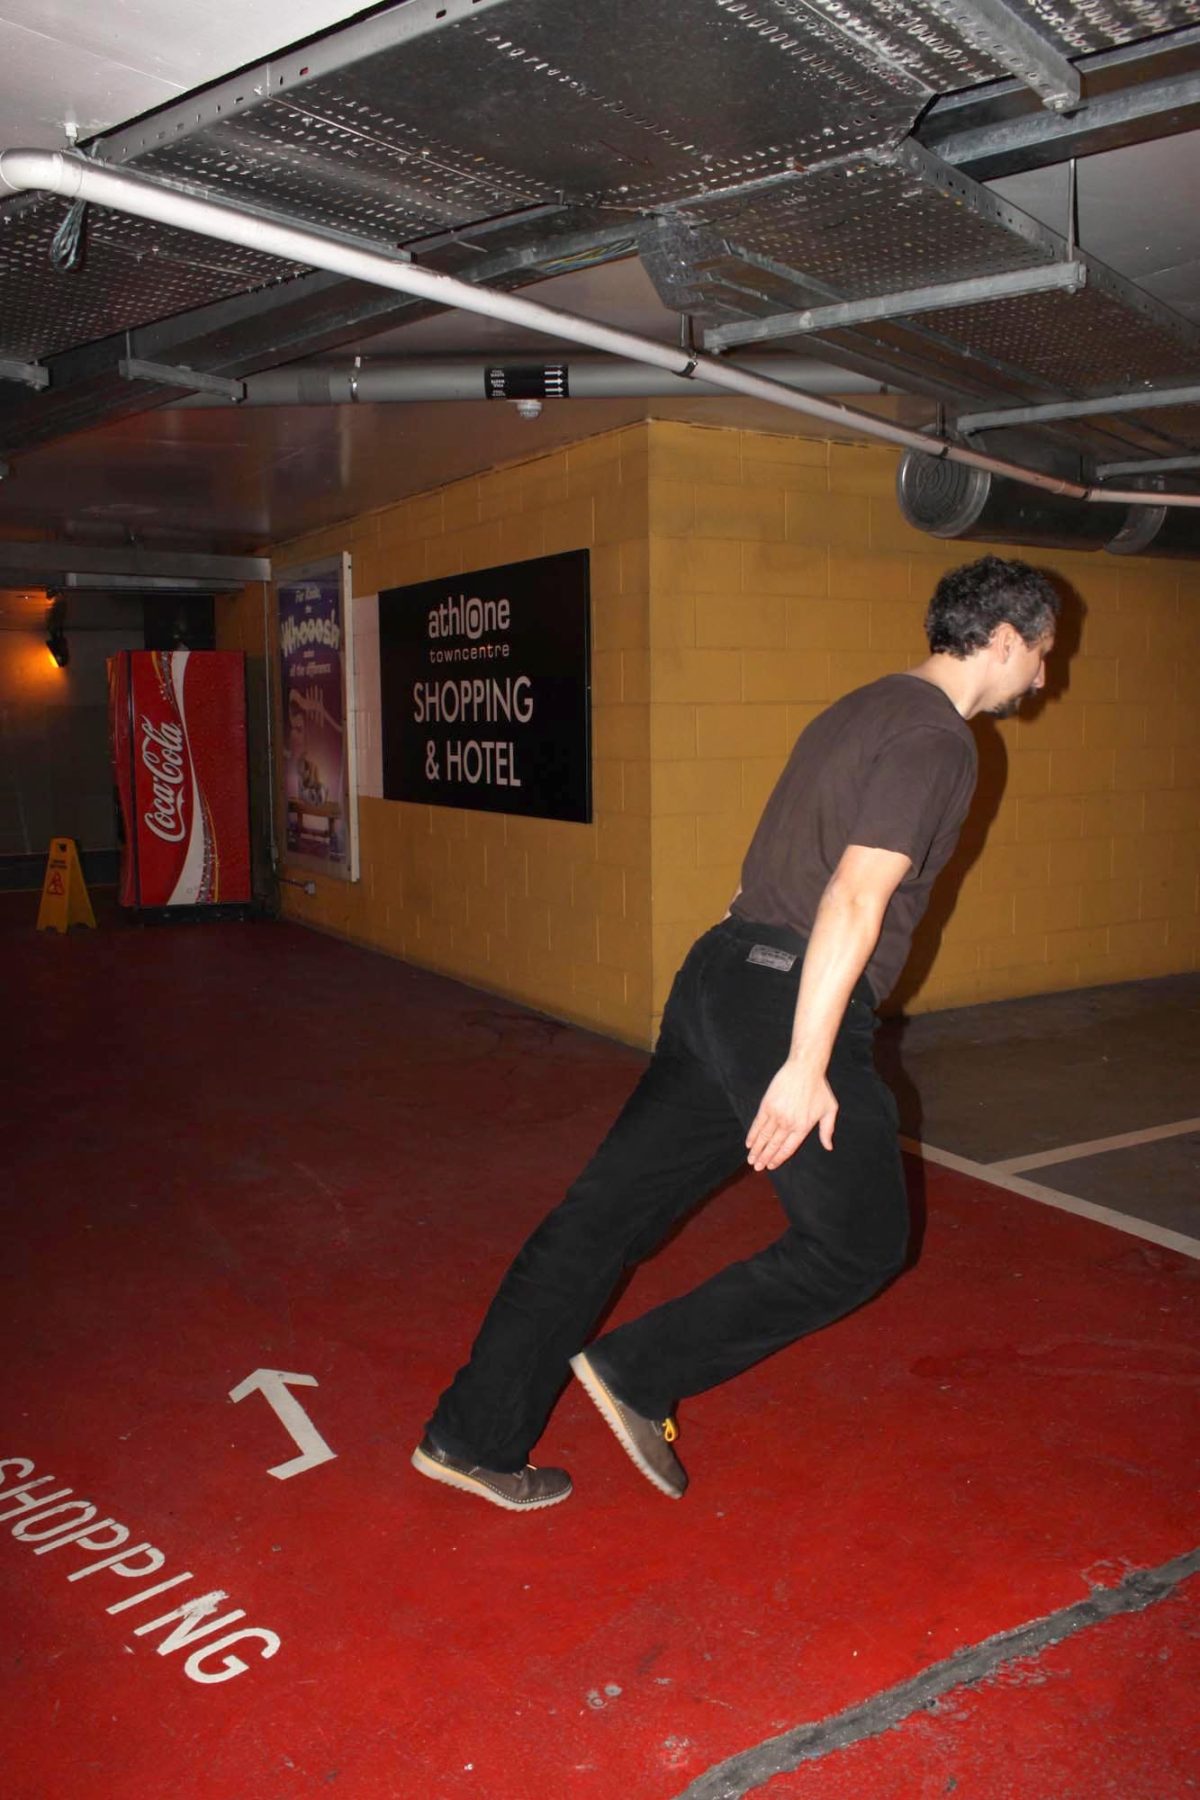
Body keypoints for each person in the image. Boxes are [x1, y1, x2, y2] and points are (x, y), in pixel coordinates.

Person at [413, 554, 1060, 1511]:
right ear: (1002, 640)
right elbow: (856, 893)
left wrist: (750, 988)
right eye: (1042, 655)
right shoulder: (938, 741)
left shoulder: (857, 708)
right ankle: (639, 1370)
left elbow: (782, 858)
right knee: (859, 1244)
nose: (1045, 676)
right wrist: (805, 1064)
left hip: (724, 970)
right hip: (790, 1001)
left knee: (600, 1219)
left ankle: (470, 1437)